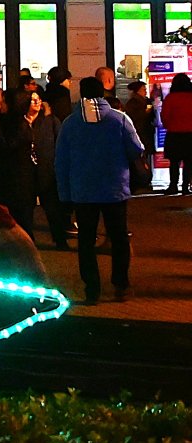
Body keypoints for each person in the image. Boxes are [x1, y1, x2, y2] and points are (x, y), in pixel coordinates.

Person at [55, 77, 144, 305]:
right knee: (119, 238)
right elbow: (136, 150)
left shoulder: (70, 123)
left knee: (86, 241)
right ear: (103, 93)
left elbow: (61, 161)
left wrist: (65, 193)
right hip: (114, 189)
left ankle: (91, 288)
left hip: (83, 191)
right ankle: (120, 285)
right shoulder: (119, 119)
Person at [0, 91, 40, 238]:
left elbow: (6, 148)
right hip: (4, 180)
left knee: (20, 224)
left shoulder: (20, 126)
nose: (0, 104)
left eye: (4, 101)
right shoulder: (5, 121)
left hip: (16, 183)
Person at [24, 88, 72, 248]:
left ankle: (60, 240)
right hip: (27, 171)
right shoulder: (20, 121)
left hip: (47, 170)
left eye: (38, 99)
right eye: (32, 100)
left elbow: (61, 143)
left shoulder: (50, 120)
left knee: (52, 208)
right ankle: (28, 241)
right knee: (26, 208)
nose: (37, 102)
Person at [121, 81, 157, 193]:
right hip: (140, 134)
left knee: (145, 157)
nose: (145, 91)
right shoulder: (134, 103)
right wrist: (146, 112)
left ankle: (145, 179)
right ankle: (141, 180)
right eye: (143, 89)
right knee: (140, 159)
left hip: (145, 133)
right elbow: (134, 118)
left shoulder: (145, 101)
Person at [162, 72, 192, 195]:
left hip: (174, 134)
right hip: (190, 134)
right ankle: (186, 187)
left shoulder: (170, 98)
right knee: (189, 162)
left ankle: (173, 186)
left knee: (174, 163)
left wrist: (169, 125)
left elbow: (164, 116)